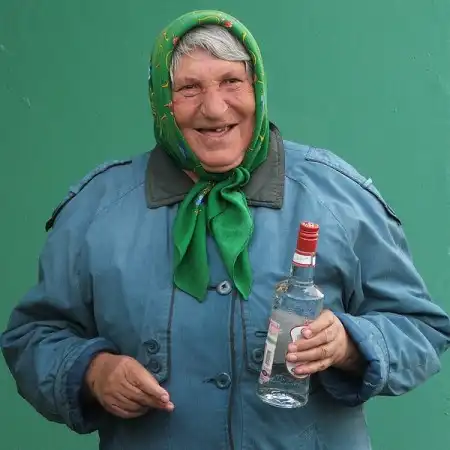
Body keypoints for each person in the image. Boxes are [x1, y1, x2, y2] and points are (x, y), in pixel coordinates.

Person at [1, 9, 450, 450]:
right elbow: (33, 337)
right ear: (161, 99)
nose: (214, 109)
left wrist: (348, 345)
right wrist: (92, 372)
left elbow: (420, 328)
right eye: (188, 88)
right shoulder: (97, 211)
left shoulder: (337, 198)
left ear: (257, 88)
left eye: (231, 82)